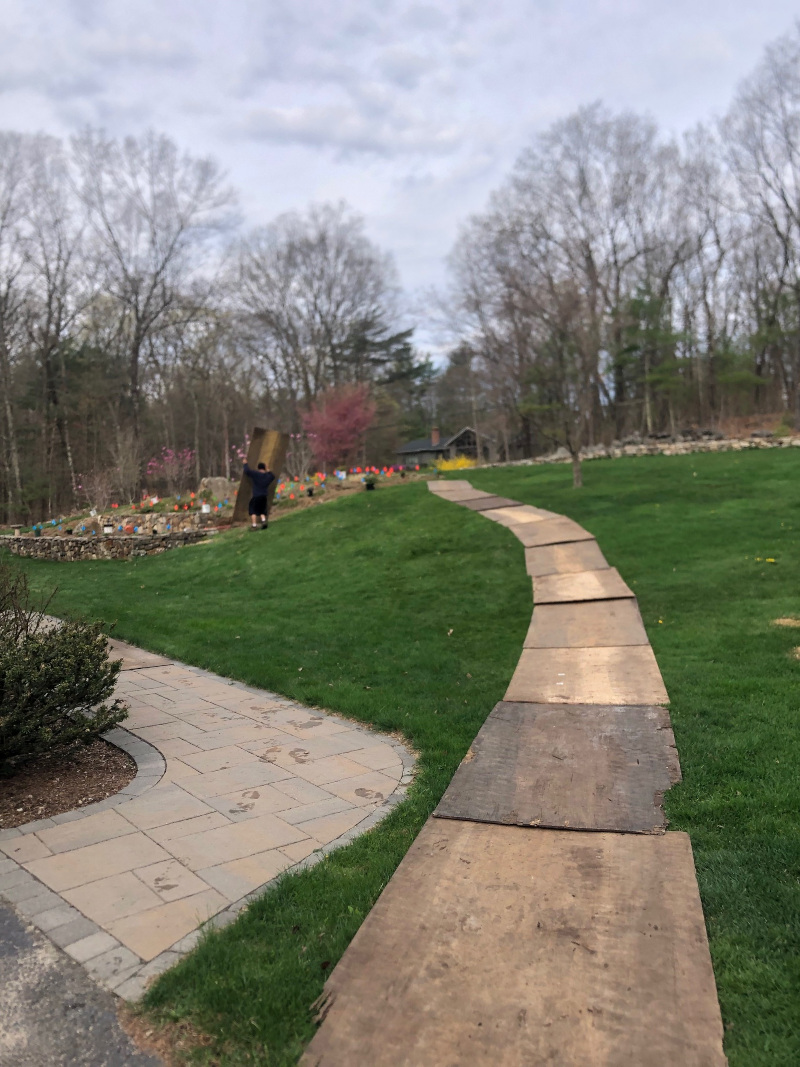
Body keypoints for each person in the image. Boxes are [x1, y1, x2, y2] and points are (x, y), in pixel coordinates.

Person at [242, 461, 275, 529]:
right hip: (264, 496)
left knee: (252, 510)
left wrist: (245, 463)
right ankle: (263, 521)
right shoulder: (267, 476)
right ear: (264, 468)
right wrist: (268, 470)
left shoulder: (256, 474)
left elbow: (247, 471)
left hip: (256, 496)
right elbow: (272, 476)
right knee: (262, 510)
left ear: (258, 468)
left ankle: (254, 525)